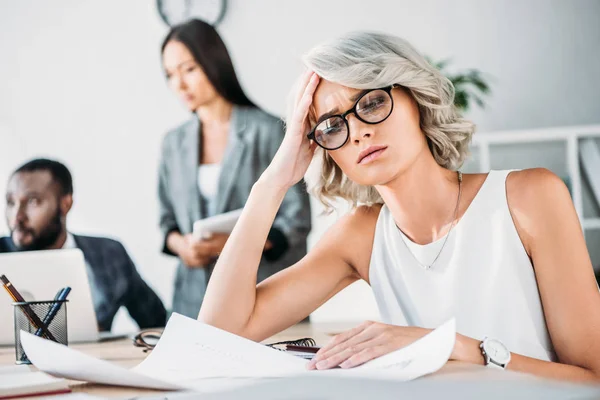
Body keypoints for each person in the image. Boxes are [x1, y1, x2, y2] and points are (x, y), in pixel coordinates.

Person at [198, 32, 600, 382]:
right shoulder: (360, 236)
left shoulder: (530, 198)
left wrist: (453, 346)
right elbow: (218, 333)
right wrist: (273, 183)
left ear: (415, 97)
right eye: (333, 126)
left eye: (371, 103)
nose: (358, 132)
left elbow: (592, 380)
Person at [158, 19, 311, 318]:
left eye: (189, 69)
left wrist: (228, 245)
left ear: (213, 62)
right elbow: (166, 224)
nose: (180, 84)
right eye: (170, 75)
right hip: (192, 302)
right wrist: (183, 247)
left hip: (261, 295)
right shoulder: (173, 144)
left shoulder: (268, 131)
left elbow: (296, 222)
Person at [1, 158, 167, 332]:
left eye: (33, 201)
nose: (17, 217)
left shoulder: (110, 254)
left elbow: (156, 321)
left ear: (65, 204)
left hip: (92, 356)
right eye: (11, 202)